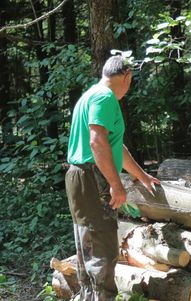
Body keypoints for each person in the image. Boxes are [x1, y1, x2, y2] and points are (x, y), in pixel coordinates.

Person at [65, 54, 160, 300]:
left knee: (88, 250)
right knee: (102, 255)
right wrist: (116, 185)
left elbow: (115, 147)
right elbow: (97, 142)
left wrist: (142, 176)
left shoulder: (91, 95)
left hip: (80, 177)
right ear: (126, 76)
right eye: (131, 79)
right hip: (92, 177)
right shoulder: (105, 97)